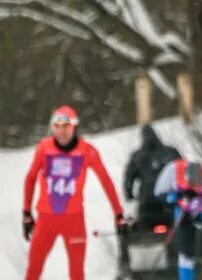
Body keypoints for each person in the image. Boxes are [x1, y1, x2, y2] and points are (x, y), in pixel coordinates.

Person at [22, 105, 128, 280]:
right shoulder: (44, 148)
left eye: (67, 126)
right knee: (34, 268)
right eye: (57, 127)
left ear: (74, 127)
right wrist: (26, 213)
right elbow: (30, 178)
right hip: (46, 219)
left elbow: (106, 181)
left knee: (77, 272)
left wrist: (118, 213)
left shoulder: (87, 151)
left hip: (73, 220)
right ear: (52, 128)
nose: (62, 132)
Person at [154, 159, 202, 280]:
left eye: (197, 186)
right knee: (185, 251)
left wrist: (198, 208)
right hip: (184, 213)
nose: (195, 188)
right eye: (191, 185)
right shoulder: (172, 171)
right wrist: (175, 198)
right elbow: (159, 194)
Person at [123, 125, 181, 226]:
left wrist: (129, 194)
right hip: (168, 200)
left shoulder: (138, 156)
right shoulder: (171, 152)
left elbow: (129, 178)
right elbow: (183, 171)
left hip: (146, 202)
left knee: (143, 224)